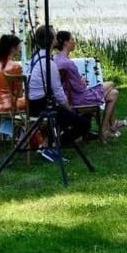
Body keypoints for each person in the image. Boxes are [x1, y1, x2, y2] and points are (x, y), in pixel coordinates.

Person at [26, 25, 92, 160]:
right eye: (55, 36)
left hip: (31, 104)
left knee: (66, 116)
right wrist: (70, 110)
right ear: (51, 41)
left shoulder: (34, 58)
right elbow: (59, 93)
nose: (57, 38)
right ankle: (54, 145)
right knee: (83, 123)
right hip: (42, 107)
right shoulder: (49, 64)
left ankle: (48, 144)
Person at [53, 30, 125, 140]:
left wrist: (78, 81)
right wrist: (81, 82)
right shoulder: (68, 63)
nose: (74, 42)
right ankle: (107, 127)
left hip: (68, 95)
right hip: (78, 98)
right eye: (72, 39)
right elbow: (80, 88)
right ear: (66, 43)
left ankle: (107, 128)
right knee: (112, 84)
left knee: (114, 93)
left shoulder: (55, 59)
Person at [0, 34, 27, 137]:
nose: (20, 49)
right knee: (34, 101)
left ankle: (7, 128)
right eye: (19, 47)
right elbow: (18, 94)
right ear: (13, 48)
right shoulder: (15, 66)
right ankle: (25, 133)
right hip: (10, 105)